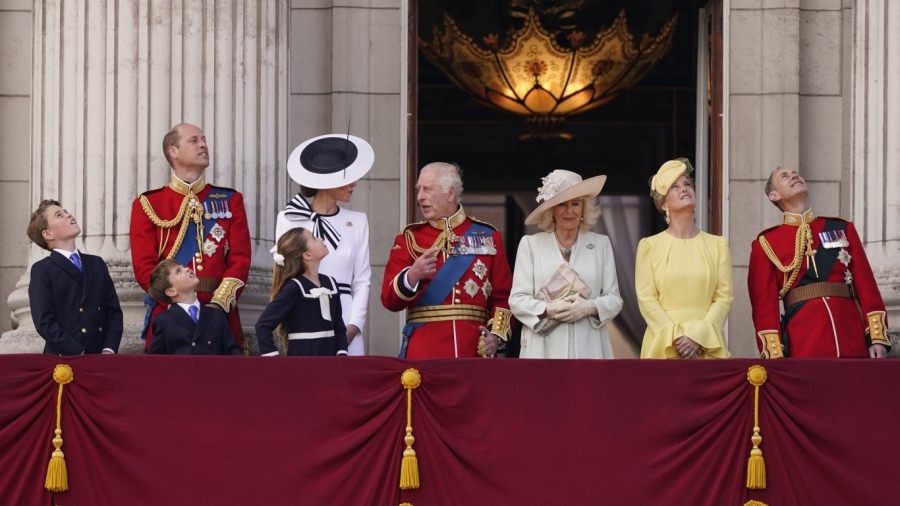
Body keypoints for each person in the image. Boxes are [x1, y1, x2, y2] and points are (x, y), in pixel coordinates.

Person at [130, 123, 251, 352]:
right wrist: (177, 304)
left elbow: (240, 261)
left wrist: (218, 305)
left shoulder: (230, 200)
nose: (204, 144)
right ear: (173, 151)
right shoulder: (148, 204)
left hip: (220, 315)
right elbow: (144, 267)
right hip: (170, 314)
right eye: (194, 140)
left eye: (204, 139)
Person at [748, 166, 890, 358]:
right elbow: (764, 306)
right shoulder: (766, 243)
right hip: (805, 342)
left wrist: (876, 338)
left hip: (851, 335)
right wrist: (775, 355)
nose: (794, 176)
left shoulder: (841, 228)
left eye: (795, 173)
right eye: (785, 176)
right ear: (774, 195)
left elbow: (866, 285)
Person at [381, 162, 513, 358]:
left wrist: (496, 336)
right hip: (424, 350)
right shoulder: (409, 238)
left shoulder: (488, 236)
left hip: (473, 350)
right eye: (418, 190)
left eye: (427, 189)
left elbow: (503, 297)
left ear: (450, 194)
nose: (420, 197)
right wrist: (412, 275)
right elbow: (389, 300)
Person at [274, 133, 373, 356]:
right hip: (304, 316)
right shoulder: (289, 219)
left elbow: (363, 280)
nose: (354, 184)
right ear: (328, 181)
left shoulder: (358, 221)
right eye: (347, 178)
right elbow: (285, 274)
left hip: (346, 316)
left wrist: (354, 326)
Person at [509, 170, 623, 358]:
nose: (569, 210)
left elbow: (614, 299)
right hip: (542, 350)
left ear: (583, 209)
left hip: (590, 347)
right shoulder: (530, 245)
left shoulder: (601, 244)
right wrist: (549, 309)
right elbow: (517, 300)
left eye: (575, 203)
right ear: (551, 210)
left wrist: (588, 307)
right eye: (561, 204)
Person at [635, 158, 733, 359]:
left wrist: (699, 336)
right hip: (663, 345)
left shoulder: (718, 245)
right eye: (674, 186)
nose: (684, 188)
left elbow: (724, 297)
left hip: (707, 345)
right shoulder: (649, 246)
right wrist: (676, 337)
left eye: (687, 184)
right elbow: (646, 299)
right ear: (664, 205)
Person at [26, 199, 123, 355]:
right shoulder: (43, 269)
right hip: (65, 360)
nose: (68, 214)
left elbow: (114, 312)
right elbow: (44, 322)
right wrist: (78, 353)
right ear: (48, 233)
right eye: (59, 215)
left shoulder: (96, 263)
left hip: (101, 358)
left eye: (65, 211)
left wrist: (109, 349)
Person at [256, 227, 348, 357]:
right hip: (302, 364)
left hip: (330, 364)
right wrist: (273, 360)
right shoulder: (294, 288)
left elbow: (339, 327)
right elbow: (262, 326)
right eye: (314, 238)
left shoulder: (330, 283)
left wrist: (342, 352)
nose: (321, 238)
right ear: (307, 255)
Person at [146, 259, 242, 355]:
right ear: (171, 291)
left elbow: (232, 350)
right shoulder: (164, 321)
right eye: (179, 271)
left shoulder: (216, 315)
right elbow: (156, 362)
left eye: (184, 267)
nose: (187, 269)